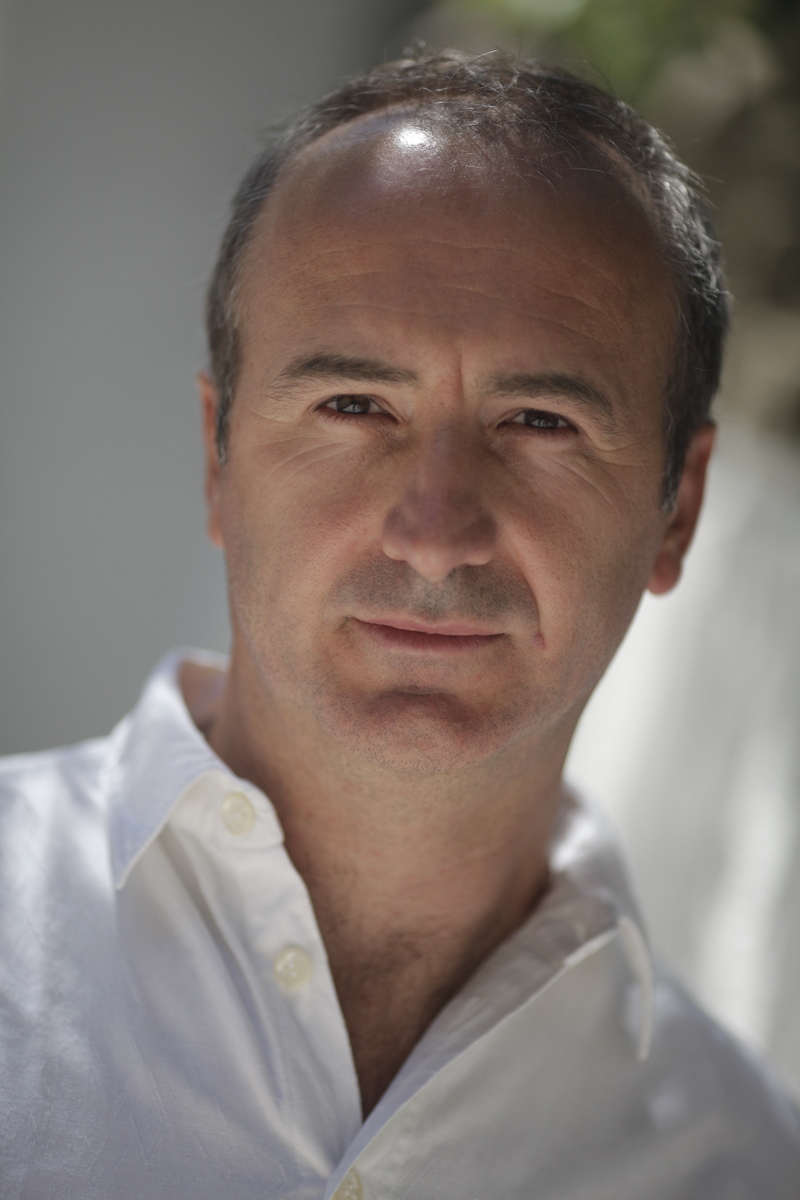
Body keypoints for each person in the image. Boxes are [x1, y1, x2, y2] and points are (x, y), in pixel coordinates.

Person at [0, 47, 797, 1200]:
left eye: (539, 421)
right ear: (217, 463)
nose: (434, 534)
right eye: (353, 404)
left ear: (675, 510)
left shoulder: (744, 1165)